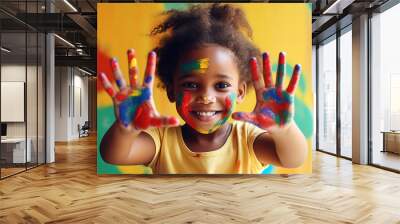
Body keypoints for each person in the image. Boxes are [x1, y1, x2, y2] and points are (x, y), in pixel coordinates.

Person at [99, 3, 307, 174]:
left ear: (241, 91)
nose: (206, 97)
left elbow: (292, 159)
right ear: (172, 90)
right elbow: (113, 155)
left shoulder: (247, 139)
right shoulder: (161, 141)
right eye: (191, 85)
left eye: (222, 85)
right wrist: (124, 130)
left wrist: (285, 130)